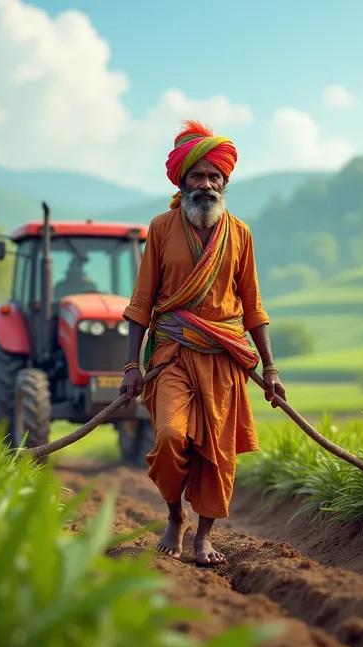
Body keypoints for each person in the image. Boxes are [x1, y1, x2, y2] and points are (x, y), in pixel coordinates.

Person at [121, 119, 286, 567]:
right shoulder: (160, 228)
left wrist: (270, 370)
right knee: (173, 437)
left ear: (225, 181)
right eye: (198, 176)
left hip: (223, 360)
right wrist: (132, 366)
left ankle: (203, 536)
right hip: (171, 355)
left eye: (215, 177)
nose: (207, 184)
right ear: (183, 180)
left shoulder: (241, 234)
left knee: (217, 453)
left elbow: (253, 306)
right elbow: (140, 303)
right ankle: (175, 516)